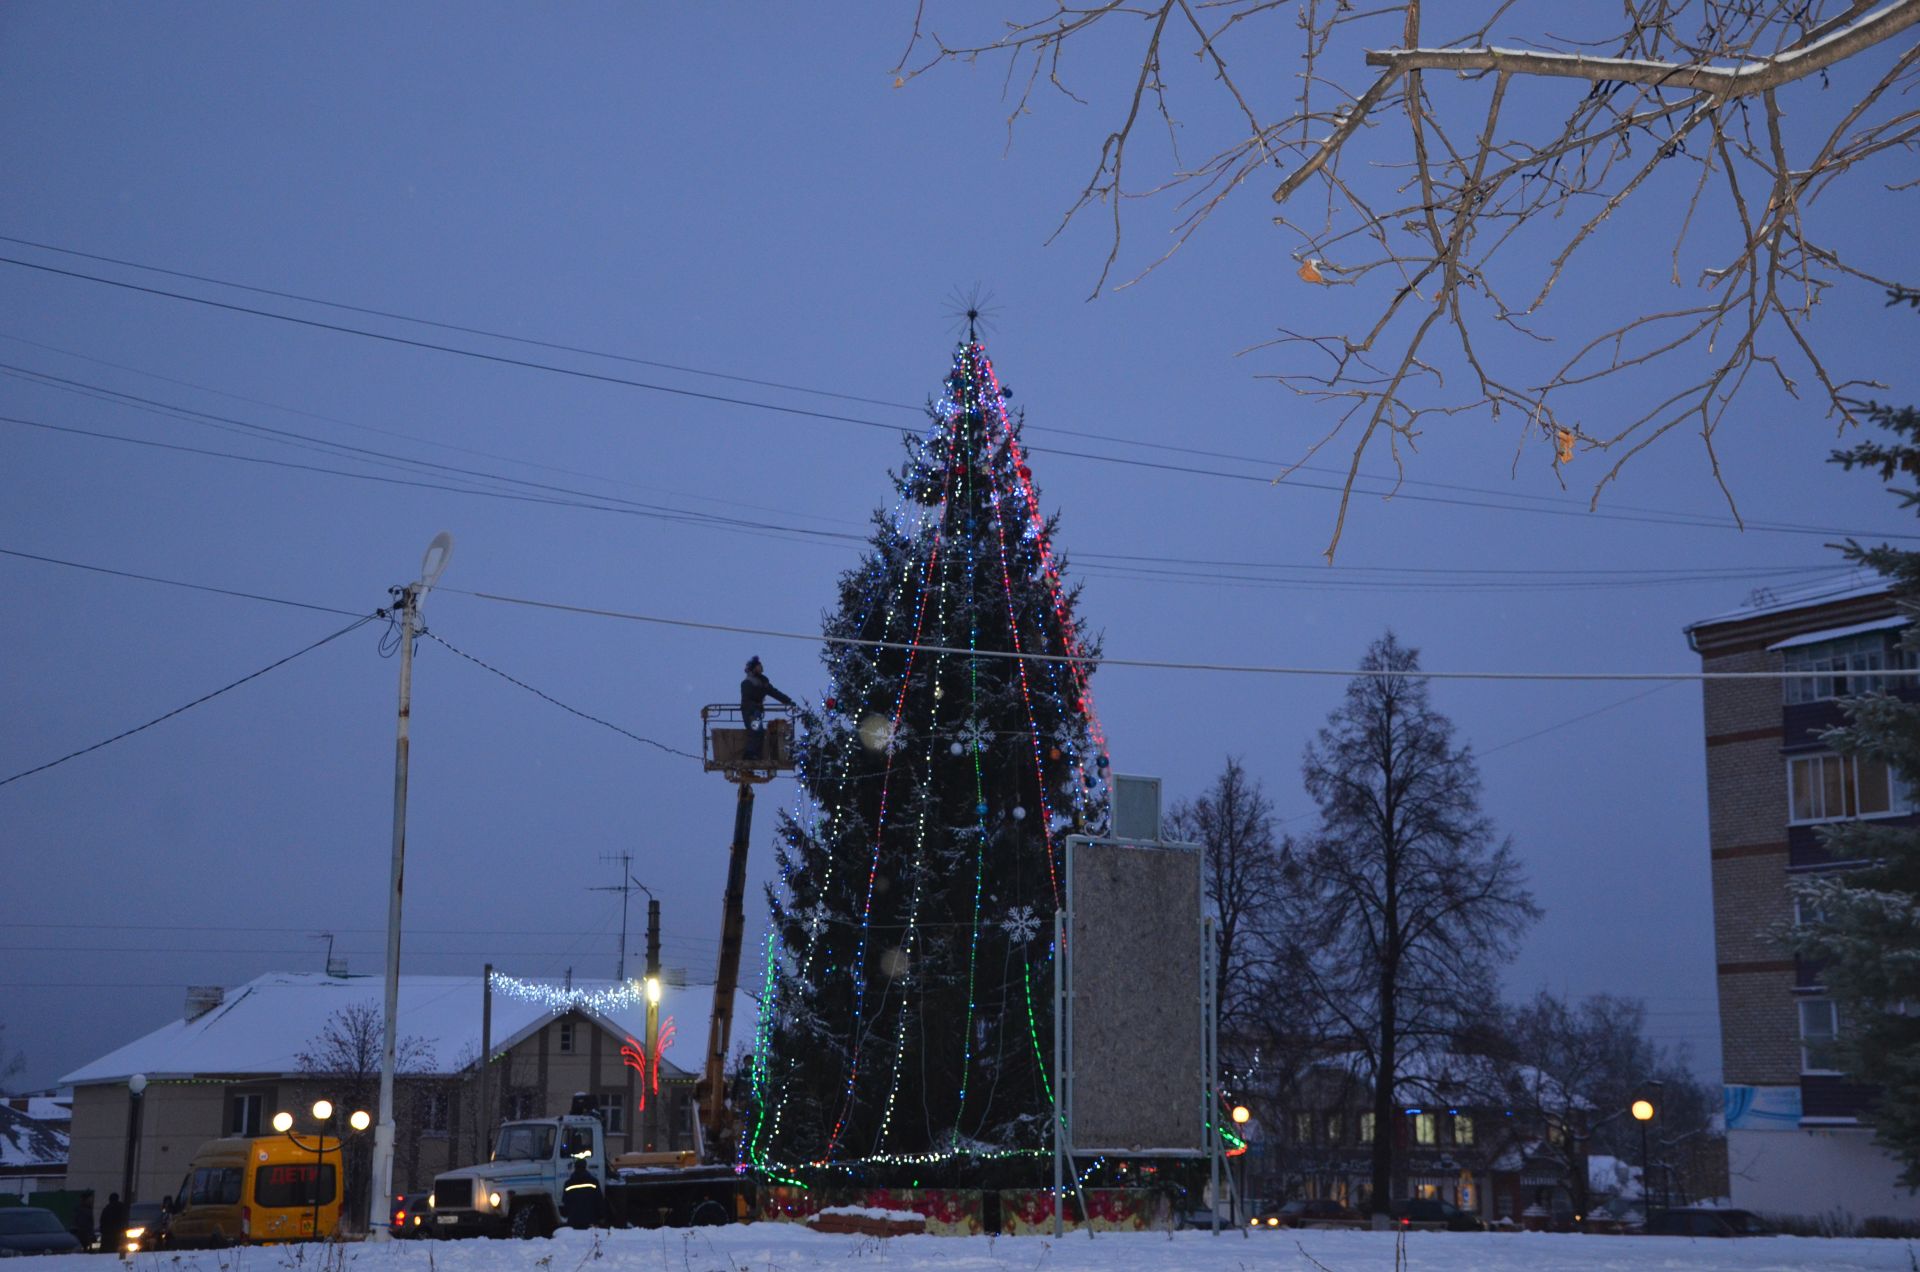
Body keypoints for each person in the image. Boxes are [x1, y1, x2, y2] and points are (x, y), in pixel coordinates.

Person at [739, 656, 792, 762]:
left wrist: (787, 701)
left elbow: (774, 692)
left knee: (758, 731)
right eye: (759, 666)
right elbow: (749, 696)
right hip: (750, 711)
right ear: (754, 668)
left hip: (756, 711)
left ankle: (755, 755)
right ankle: (750, 754)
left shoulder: (763, 681)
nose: (761, 668)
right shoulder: (748, 682)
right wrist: (759, 696)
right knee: (756, 731)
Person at [561, 1157, 602, 1229]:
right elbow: (599, 1201)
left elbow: (565, 1201)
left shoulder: (568, 1183)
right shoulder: (594, 1182)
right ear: (585, 1167)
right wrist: (599, 1218)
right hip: (590, 1221)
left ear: (575, 1167)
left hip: (573, 1222)